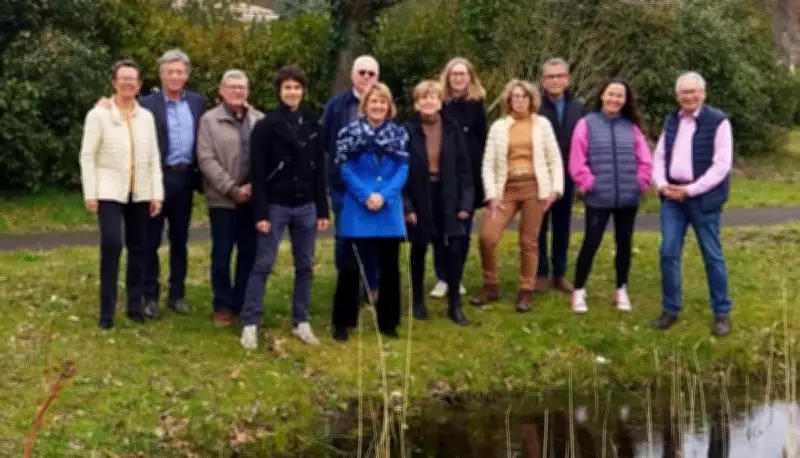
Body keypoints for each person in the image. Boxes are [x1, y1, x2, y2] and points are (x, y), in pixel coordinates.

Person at [239, 66, 330, 349]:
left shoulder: (313, 125)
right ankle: (250, 322)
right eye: (287, 87)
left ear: (303, 91)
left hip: (305, 206)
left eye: (297, 87)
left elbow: (319, 169)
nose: (292, 92)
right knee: (263, 264)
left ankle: (301, 320)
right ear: (279, 91)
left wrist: (323, 210)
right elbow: (258, 172)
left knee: (305, 265)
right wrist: (261, 213)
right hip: (275, 206)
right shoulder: (266, 126)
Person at [79, 60, 164, 329]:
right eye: (123, 78)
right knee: (112, 244)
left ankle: (134, 306)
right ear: (114, 82)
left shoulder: (146, 117)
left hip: (140, 190)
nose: (128, 83)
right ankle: (106, 311)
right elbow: (87, 156)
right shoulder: (99, 115)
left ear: (139, 85)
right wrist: (90, 193)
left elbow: (153, 157)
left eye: (133, 79)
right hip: (108, 190)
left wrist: (156, 193)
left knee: (139, 246)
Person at [651, 71, 734, 336]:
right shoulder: (672, 120)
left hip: (703, 199)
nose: (688, 96)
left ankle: (721, 312)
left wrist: (689, 190)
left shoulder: (718, 121)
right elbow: (659, 156)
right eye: (683, 92)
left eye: (693, 91)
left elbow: (721, 166)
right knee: (668, 252)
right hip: (672, 198)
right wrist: (661, 184)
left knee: (712, 255)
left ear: (703, 93)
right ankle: (670, 308)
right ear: (677, 96)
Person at [470, 80, 563, 311]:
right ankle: (490, 286)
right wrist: (492, 195)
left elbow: (554, 158)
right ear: (508, 101)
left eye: (524, 97)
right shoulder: (499, 127)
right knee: (487, 237)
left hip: (534, 187)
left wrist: (555, 189)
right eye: (515, 97)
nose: (520, 101)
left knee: (528, 241)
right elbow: (488, 164)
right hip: (506, 189)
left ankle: (525, 290)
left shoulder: (542, 124)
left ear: (531, 100)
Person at [331, 82, 409, 341]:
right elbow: (345, 169)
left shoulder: (398, 134)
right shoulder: (348, 133)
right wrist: (366, 195)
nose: (378, 106)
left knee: (389, 268)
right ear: (365, 105)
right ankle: (343, 323)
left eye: (383, 102)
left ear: (389, 106)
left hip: (388, 208)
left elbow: (403, 169)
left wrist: (384, 196)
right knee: (350, 268)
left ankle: (388, 321)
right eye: (374, 101)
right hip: (358, 207)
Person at [568, 78, 652, 313]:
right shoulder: (586, 124)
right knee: (591, 242)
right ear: (602, 96)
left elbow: (645, 160)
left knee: (624, 244)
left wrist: (640, 183)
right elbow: (577, 160)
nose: (614, 99)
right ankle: (578, 290)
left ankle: (621, 289)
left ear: (625, 100)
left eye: (619, 96)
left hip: (628, 198)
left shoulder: (631, 127)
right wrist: (589, 183)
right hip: (598, 197)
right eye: (611, 94)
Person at [402, 80, 473, 326]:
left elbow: (464, 169)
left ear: (440, 102)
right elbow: (400, 170)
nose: (428, 102)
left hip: (449, 194)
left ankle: (454, 304)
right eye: (423, 98)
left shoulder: (452, 128)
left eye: (432, 97)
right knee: (419, 248)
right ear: (416, 103)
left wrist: (465, 203)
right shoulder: (407, 130)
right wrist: (407, 205)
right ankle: (417, 301)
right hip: (420, 194)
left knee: (453, 249)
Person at [196, 69, 264, 327]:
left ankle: (243, 302)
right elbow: (206, 159)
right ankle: (222, 304)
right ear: (221, 91)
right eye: (232, 87)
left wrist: (254, 188)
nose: (237, 91)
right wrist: (232, 189)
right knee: (222, 253)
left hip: (252, 200)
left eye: (242, 87)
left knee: (249, 253)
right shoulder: (209, 121)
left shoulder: (259, 119)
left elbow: (268, 157)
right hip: (222, 199)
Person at [321, 55, 382, 305]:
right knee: (346, 237)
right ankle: (348, 285)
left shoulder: (383, 103)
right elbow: (325, 141)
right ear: (352, 75)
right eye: (362, 72)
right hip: (343, 185)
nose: (366, 77)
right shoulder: (336, 105)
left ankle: (372, 285)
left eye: (371, 73)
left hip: (375, 185)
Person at [427, 57, 487, 299]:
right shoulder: (438, 102)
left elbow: (482, 139)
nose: (459, 78)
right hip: (441, 174)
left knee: (461, 229)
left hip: (468, 175)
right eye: (454, 74)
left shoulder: (477, 104)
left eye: (463, 74)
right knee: (439, 229)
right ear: (447, 76)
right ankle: (442, 277)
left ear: (470, 77)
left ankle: (456, 277)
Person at [536, 57, 586, 294]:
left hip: (567, 175)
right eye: (550, 76)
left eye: (559, 76)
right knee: (538, 226)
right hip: (540, 175)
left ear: (567, 79)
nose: (555, 80)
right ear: (543, 80)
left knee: (562, 225)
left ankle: (559, 272)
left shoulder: (578, 106)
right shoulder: (535, 105)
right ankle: (540, 273)